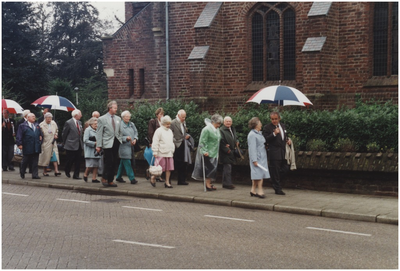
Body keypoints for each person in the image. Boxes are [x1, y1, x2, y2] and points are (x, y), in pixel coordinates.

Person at [192, 114, 223, 191]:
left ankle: (209, 183)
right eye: (218, 123)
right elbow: (202, 141)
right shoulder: (206, 129)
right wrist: (204, 151)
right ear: (213, 122)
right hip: (208, 152)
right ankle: (207, 184)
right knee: (208, 169)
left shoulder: (217, 129)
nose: (219, 125)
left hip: (215, 152)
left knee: (212, 169)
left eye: (219, 124)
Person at [262, 112, 291, 195]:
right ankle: (278, 189)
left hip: (282, 152)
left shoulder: (283, 126)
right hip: (274, 152)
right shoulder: (267, 127)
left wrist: (287, 140)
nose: (274, 121)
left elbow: (284, 136)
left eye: (275, 119)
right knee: (276, 171)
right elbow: (265, 139)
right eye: (272, 119)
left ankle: (273, 180)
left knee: (285, 169)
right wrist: (274, 134)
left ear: (279, 118)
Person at [96, 101, 122, 188]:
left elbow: (120, 131)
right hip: (107, 142)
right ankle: (104, 177)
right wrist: (98, 145)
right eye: (115, 108)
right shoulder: (102, 119)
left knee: (114, 161)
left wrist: (120, 139)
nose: (116, 109)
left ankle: (111, 180)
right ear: (110, 108)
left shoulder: (118, 119)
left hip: (116, 141)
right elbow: (99, 133)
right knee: (108, 161)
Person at [16, 113, 43, 179]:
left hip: (36, 146)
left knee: (35, 162)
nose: (34, 118)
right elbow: (19, 135)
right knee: (25, 160)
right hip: (27, 146)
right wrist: (19, 144)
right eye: (32, 116)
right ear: (28, 118)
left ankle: (35, 175)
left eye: (34, 116)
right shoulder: (22, 126)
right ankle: (22, 172)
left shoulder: (37, 125)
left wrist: (40, 140)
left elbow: (41, 134)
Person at [248, 117, 269, 198]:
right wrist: (254, 159)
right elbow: (252, 148)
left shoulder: (259, 133)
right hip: (257, 158)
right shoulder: (252, 135)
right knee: (258, 174)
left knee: (257, 174)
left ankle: (253, 190)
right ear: (256, 125)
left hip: (262, 157)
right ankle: (260, 191)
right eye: (260, 123)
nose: (261, 125)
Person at [151, 115, 175, 188]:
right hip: (161, 152)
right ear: (163, 123)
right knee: (159, 169)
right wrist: (155, 151)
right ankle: (153, 177)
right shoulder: (159, 131)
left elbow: (171, 141)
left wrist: (172, 149)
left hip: (169, 153)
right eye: (167, 124)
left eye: (169, 124)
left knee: (168, 169)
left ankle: (167, 182)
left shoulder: (170, 131)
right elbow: (155, 141)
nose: (169, 125)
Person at [116, 110, 138, 185]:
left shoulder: (132, 124)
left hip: (131, 147)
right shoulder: (119, 125)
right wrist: (126, 138)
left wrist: (135, 139)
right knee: (127, 162)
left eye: (129, 116)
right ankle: (132, 178)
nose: (128, 118)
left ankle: (118, 177)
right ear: (123, 117)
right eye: (126, 117)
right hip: (123, 147)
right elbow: (117, 136)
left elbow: (136, 132)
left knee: (123, 163)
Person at [170, 109, 190, 185]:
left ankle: (181, 180)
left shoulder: (184, 123)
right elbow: (170, 134)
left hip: (183, 145)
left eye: (185, 117)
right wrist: (176, 142)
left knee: (183, 163)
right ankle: (168, 180)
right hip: (176, 145)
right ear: (178, 115)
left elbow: (183, 133)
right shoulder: (172, 123)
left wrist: (186, 136)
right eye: (182, 117)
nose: (184, 119)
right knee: (175, 163)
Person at [62, 109, 84, 180]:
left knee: (78, 161)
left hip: (79, 144)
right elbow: (64, 133)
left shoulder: (80, 123)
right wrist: (65, 142)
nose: (81, 115)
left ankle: (76, 175)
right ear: (76, 115)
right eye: (80, 114)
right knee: (70, 160)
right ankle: (67, 170)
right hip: (70, 144)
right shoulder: (68, 122)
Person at [38, 112, 61, 177]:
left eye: (50, 118)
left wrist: (56, 135)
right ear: (45, 118)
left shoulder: (53, 123)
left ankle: (56, 171)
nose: (49, 119)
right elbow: (40, 133)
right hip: (46, 143)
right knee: (46, 157)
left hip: (53, 143)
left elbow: (56, 130)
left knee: (55, 157)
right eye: (48, 118)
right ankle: (45, 171)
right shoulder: (41, 125)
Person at [219, 116, 239, 189]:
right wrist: (227, 150)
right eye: (227, 121)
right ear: (224, 122)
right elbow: (221, 141)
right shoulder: (221, 130)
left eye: (229, 121)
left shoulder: (233, 129)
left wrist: (237, 142)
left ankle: (226, 183)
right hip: (226, 152)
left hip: (232, 151)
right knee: (227, 167)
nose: (228, 123)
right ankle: (227, 183)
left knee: (229, 167)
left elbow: (235, 137)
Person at [146, 107, 164, 182]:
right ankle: (153, 174)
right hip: (155, 143)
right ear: (157, 115)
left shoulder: (163, 122)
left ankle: (158, 175)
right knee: (154, 160)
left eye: (163, 114)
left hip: (162, 144)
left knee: (160, 160)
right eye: (160, 114)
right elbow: (151, 132)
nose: (162, 115)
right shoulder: (153, 122)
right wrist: (152, 142)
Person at [83, 117, 100, 183]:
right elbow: (85, 140)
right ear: (91, 124)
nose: (96, 125)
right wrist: (94, 143)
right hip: (90, 150)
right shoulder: (88, 130)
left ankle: (94, 178)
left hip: (97, 150)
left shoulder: (98, 130)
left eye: (97, 123)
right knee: (90, 165)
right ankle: (85, 174)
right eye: (95, 124)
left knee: (96, 165)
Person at [91, 111, 103, 177]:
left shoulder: (101, 123)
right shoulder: (88, 124)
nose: (97, 118)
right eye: (95, 117)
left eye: (98, 117)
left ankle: (100, 172)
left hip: (99, 144)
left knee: (100, 158)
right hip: (92, 145)